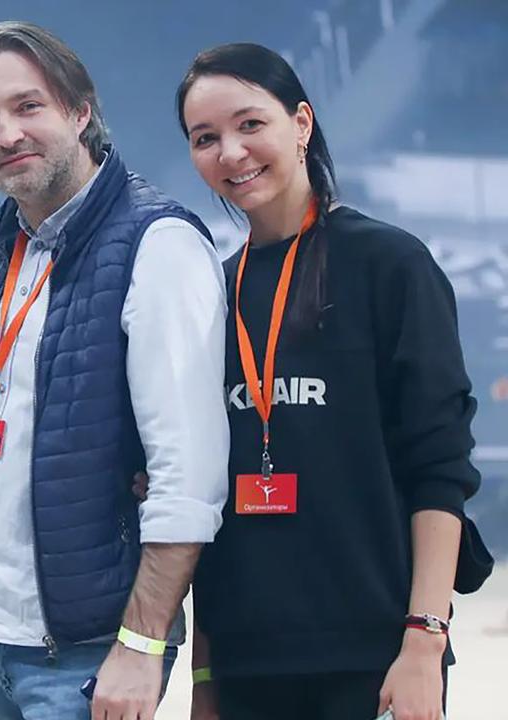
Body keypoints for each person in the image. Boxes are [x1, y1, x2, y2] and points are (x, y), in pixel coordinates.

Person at [177, 42, 482, 720]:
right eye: (206, 138)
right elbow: (204, 503)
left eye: (250, 124)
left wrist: (424, 643)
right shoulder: (210, 293)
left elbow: (440, 468)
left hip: (374, 658)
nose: (230, 152)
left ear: (302, 124)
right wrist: (205, 678)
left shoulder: (390, 265)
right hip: (247, 663)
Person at [0, 21, 230, 720]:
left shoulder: (156, 243)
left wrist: (141, 641)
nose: (7, 133)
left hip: (90, 654)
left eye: (28, 106)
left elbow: (189, 474)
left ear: (80, 111)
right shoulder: (5, 245)